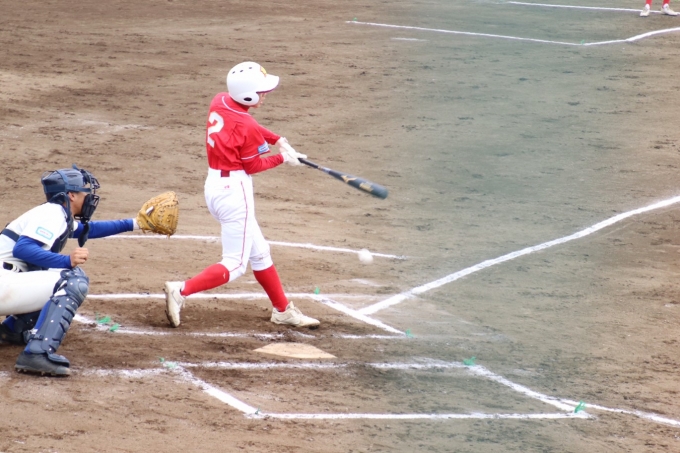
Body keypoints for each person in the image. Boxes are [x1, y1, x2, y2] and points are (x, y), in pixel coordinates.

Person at [163, 61, 320, 329]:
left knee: (260, 253)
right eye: (260, 92)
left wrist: (278, 140)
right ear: (247, 94)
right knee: (235, 264)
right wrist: (283, 158)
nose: (265, 95)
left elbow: (247, 124)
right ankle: (181, 290)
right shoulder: (245, 125)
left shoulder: (221, 100)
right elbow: (253, 165)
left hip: (215, 185)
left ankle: (283, 310)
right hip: (235, 193)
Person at [0, 165, 141, 376]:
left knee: (51, 274)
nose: (90, 198)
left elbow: (90, 229)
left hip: (7, 281)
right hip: (4, 283)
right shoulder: (52, 213)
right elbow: (23, 248)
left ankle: (12, 331)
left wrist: (136, 223)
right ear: (71, 195)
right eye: (86, 192)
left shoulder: (57, 215)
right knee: (71, 280)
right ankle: (37, 354)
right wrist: (66, 260)